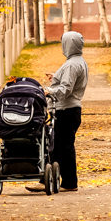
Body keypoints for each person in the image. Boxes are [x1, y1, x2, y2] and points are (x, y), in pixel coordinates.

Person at [29, 31, 88, 192]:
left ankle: (66, 182)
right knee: (62, 146)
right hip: (71, 109)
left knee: (61, 146)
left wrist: (48, 91)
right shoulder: (78, 61)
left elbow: (66, 89)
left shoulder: (71, 64)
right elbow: (70, 82)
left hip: (66, 110)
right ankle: (57, 180)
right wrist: (56, 77)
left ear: (69, 44)